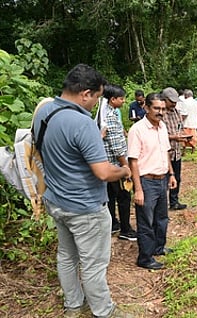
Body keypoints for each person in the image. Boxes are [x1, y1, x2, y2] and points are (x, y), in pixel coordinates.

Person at [32, 64, 133, 318]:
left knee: (66, 256)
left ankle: (73, 305)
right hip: (85, 207)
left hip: (56, 202)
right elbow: (103, 173)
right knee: (94, 263)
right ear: (85, 93)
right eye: (97, 97)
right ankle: (104, 311)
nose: (96, 103)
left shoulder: (43, 113)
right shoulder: (82, 122)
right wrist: (124, 171)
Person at [128, 92, 177, 270]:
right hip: (146, 181)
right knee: (145, 221)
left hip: (162, 179)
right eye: (156, 108)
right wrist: (138, 189)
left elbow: (166, 151)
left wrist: (171, 174)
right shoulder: (137, 130)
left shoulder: (162, 127)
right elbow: (132, 161)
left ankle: (158, 247)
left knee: (161, 217)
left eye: (163, 109)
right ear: (146, 108)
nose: (160, 112)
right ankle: (145, 257)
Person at [102, 84, 137, 241]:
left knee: (110, 196)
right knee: (124, 196)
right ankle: (125, 228)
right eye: (121, 98)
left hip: (107, 164)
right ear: (112, 99)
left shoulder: (105, 113)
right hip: (116, 165)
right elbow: (117, 146)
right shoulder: (110, 116)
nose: (124, 101)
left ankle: (112, 225)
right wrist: (125, 166)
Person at [161, 87, 189, 211]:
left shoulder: (176, 112)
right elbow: (158, 135)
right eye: (172, 101)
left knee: (176, 178)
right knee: (163, 181)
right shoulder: (160, 114)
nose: (174, 104)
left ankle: (174, 201)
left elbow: (179, 128)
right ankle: (160, 206)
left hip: (176, 152)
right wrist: (174, 137)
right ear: (164, 99)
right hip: (163, 154)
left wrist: (183, 137)